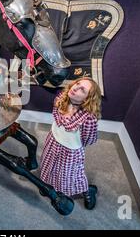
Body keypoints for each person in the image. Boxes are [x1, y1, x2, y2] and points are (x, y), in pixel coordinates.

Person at [39, 77, 102, 210]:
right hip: (53, 140)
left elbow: (88, 139)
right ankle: (49, 187)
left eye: (82, 90)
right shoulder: (62, 97)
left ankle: (88, 191)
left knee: (71, 175)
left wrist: (72, 143)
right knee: (49, 165)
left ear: (87, 99)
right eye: (77, 84)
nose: (75, 88)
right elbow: (56, 117)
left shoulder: (89, 118)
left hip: (70, 151)